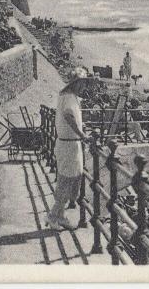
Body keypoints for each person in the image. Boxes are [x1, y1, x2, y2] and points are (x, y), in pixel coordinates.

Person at [46, 68, 86, 230]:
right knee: (67, 180)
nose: (84, 86)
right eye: (82, 83)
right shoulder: (69, 97)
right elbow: (69, 117)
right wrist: (81, 133)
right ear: (76, 84)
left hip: (69, 143)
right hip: (69, 144)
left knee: (71, 178)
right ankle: (53, 216)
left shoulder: (68, 96)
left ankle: (61, 216)